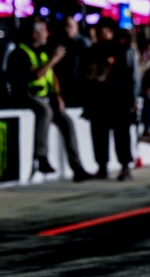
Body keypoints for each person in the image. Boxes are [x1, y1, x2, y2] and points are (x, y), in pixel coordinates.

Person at [6, 17, 92, 182]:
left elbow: (53, 77)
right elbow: (36, 74)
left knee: (67, 121)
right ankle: (41, 156)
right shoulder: (20, 53)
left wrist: (58, 96)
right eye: (44, 31)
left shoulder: (43, 52)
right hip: (26, 96)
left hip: (46, 97)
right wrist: (54, 59)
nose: (47, 34)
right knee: (44, 111)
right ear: (35, 34)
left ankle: (77, 167)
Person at [82, 17, 140, 181]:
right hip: (99, 100)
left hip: (119, 99)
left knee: (121, 134)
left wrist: (134, 97)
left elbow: (133, 75)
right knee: (99, 134)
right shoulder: (92, 50)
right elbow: (87, 75)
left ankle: (125, 166)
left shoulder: (123, 49)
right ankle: (102, 167)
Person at [52, 15, 93, 109]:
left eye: (70, 26)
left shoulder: (84, 43)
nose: (67, 29)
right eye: (65, 26)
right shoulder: (60, 43)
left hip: (80, 87)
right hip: (65, 87)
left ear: (76, 27)